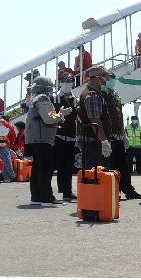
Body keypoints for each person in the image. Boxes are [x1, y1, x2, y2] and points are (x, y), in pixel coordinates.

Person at [25, 76, 70, 205]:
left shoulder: (35, 99)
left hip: (35, 138)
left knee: (37, 169)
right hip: (42, 139)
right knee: (45, 169)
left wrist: (58, 113)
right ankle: (47, 198)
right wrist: (61, 115)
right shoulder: (43, 99)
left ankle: (36, 196)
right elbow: (49, 119)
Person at [104, 87, 141, 200]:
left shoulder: (114, 95)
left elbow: (119, 118)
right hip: (110, 137)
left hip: (118, 137)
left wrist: (123, 135)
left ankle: (128, 190)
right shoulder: (103, 96)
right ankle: (115, 191)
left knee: (124, 167)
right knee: (112, 167)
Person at [76, 66, 113, 170]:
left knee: (94, 174)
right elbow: (95, 121)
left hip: (93, 140)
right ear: (98, 78)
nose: (107, 80)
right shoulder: (92, 95)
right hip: (93, 142)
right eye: (106, 77)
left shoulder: (92, 93)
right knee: (96, 174)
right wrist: (104, 141)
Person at [53, 70, 78, 200]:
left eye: (70, 81)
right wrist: (60, 114)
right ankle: (63, 189)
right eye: (65, 81)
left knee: (69, 164)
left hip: (72, 135)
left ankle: (67, 190)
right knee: (60, 164)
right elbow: (50, 116)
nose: (68, 83)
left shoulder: (75, 99)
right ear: (60, 83)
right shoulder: (55, 98)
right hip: (58, 135)